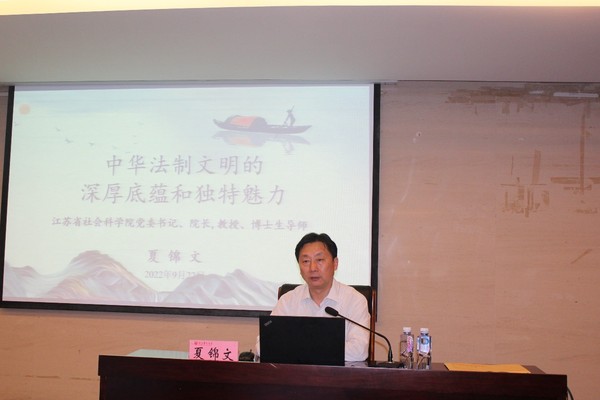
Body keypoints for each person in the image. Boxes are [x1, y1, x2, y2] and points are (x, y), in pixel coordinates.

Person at [269, 232, 370, 362]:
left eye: (320, 260)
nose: (313, 268)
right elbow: (263, 345)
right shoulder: (288, 301)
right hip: (296, 374)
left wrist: (300, 348)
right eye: (306, 261)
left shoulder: (355, 300)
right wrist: (323, 349)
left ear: (335, 263)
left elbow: (359, 351)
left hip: (338, 374)